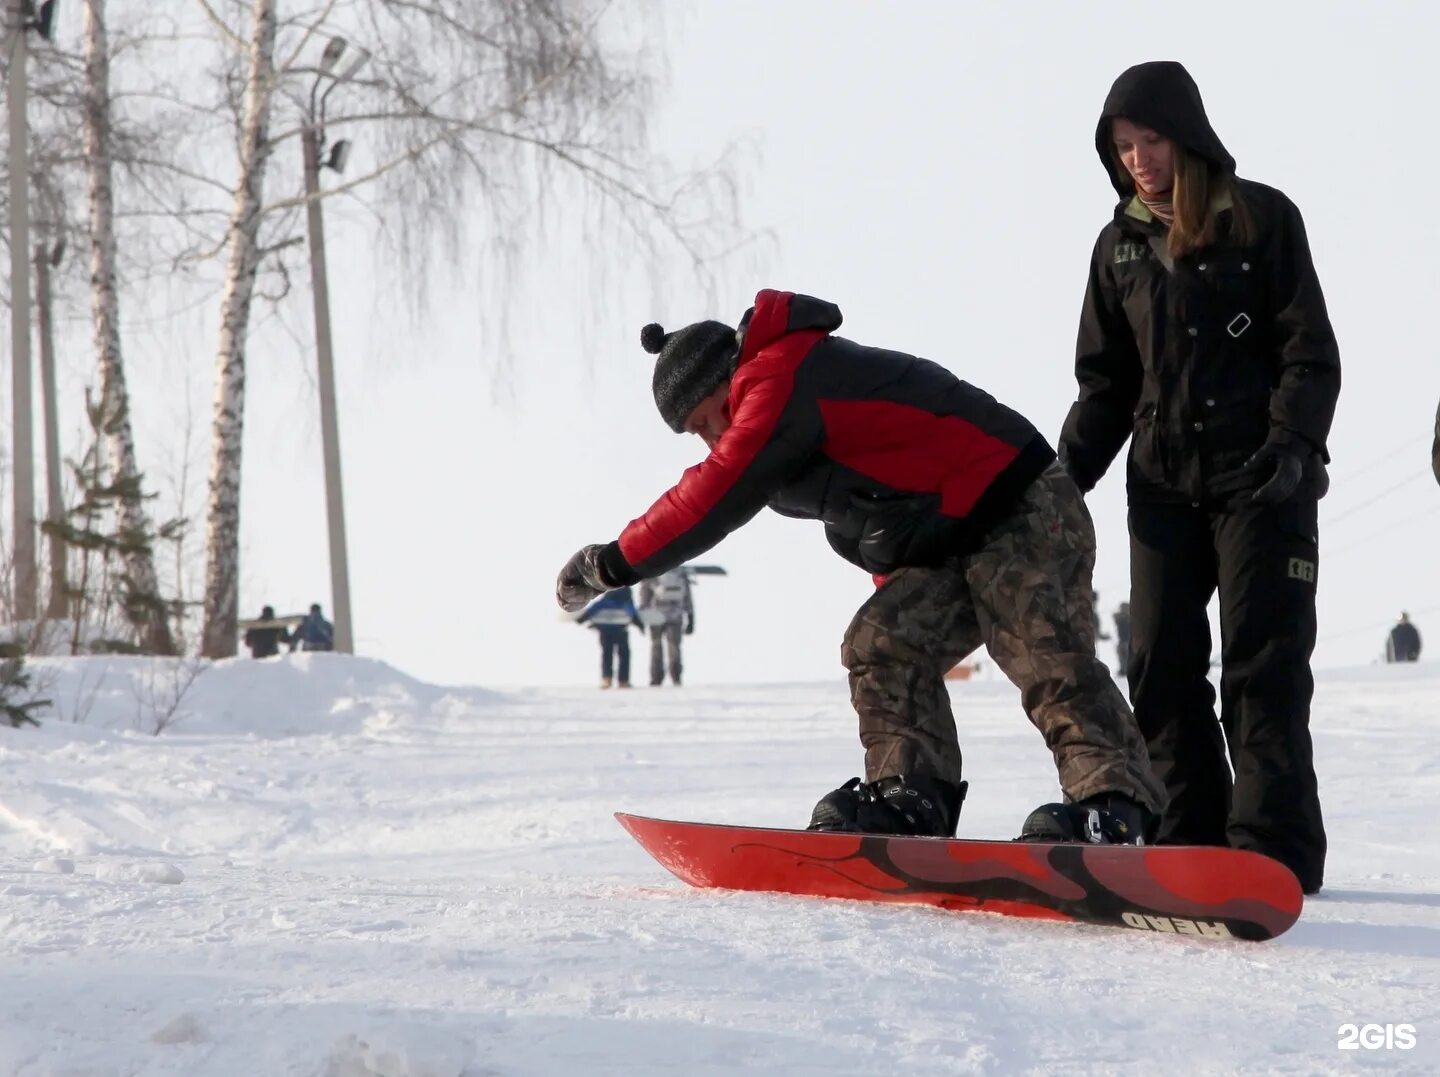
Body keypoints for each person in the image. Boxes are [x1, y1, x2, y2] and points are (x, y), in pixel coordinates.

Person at [556, 288, 1165, 844]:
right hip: (954, 534)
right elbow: (885, 509)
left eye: (704, 421)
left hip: (1020, 503)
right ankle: (912, 798)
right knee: (883, 640)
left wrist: (612, 563)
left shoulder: (778, 376)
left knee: (1039, 648)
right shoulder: (779, 400)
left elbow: (716, 490)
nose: (709, 438)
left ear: (724, 380)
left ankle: (1114, 803)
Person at [1057, 61, 1340, 893]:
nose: (1138, 159)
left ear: (1187, 136)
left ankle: (1272, 852)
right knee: (1158, 664)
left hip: (1264, 481)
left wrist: (1293, 442)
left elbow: (1309, 351)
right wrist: (1057, 485)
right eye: (1123, 146)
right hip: (1162, 487)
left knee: (1264, 666)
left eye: (1151, 139)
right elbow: (1105, 387)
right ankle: (1190, 838)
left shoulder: (1263, 219)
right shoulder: (1116, 249)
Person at [577, 586, 643, 688]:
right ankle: (623, 681)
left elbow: (594, 609)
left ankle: (606, 679)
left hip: (605, 631)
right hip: (621, 631)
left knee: (607, 655)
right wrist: (640, 625)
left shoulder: (606, 600)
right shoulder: (626, 600)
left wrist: (581, 619)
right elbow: (632, 612)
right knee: (624, 655)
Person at [639, 568, 694, 686]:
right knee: (674, 647)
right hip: (676, 615)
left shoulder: (652, 570)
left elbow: (645, 594)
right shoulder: (680, 572)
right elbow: (688, 597)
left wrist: (642, 614)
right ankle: (676, 676)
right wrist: (691, 618)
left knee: (656, 646)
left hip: (655, 616)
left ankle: (656, 678)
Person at [1112, 600, 1132, 676]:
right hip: (1122, 641)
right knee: (1122, 656)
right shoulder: (1121, 618)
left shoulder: (1130, 618)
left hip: (1128, 641)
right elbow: (1115, 617)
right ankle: (1123, 670)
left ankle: (1126, 669)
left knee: (1127, 656)